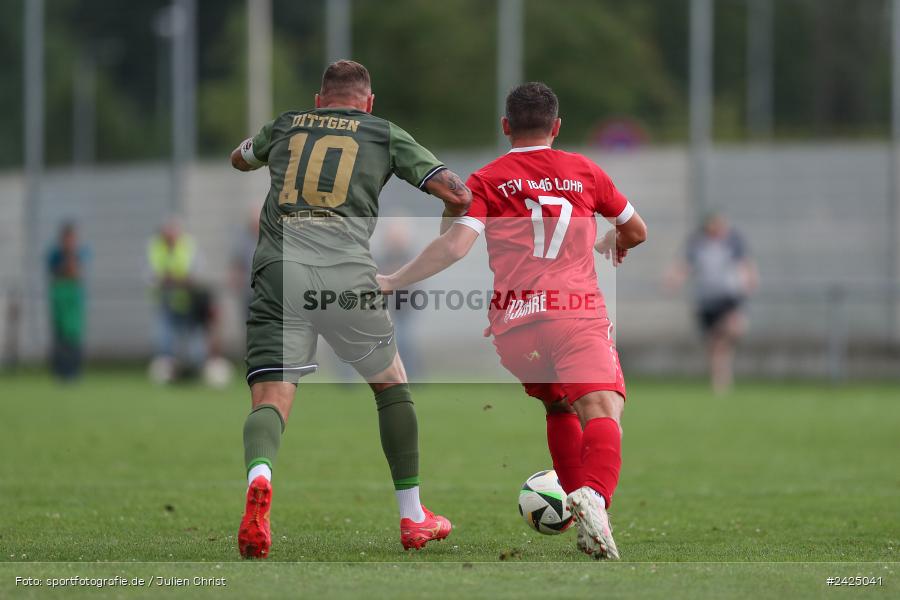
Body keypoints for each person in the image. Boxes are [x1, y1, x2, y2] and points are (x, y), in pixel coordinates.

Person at [378, 82, 647, 560]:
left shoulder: (486, 179)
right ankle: (595, 498)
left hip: (516, 327)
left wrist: (394, 279)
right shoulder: (584, 170)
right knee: (603, 410)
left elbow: (455, 246)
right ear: (557, 127)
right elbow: (636, 230)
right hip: (574, 312)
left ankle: (581, 511)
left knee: (561, 407)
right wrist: (612, 240)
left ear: (506, 127)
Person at [229, 60, 471, 558]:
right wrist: (447, 226)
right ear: (369, 102)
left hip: (280, 271)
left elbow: (239, 159)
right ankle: (412, 517)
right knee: (391, 385)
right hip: (347, 275)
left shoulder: (287, 123)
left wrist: (260, 151)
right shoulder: (383, 132)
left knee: (272, 396)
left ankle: (260, 479)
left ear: (320, 99)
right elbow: (458, 192)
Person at [666, 213, 758, 394]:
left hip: (728, 297)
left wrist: (750, 280)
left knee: (734, 329)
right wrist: (674, 280)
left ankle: (721, 379)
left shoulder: (733, 242)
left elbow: (745, 263)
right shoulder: (698, 244)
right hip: (706, 300)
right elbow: (685, 265)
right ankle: (720, 383)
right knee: (714, 346)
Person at [145, 218, 207, 381]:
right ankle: (168, 375)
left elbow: (197, 275)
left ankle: (194, 372)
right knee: (165, 341)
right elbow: (150, 276)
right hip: (165, 302)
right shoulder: (155, 247)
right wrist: (173, 280)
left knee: (193, 343)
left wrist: (173, 280)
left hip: (189, 304)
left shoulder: (189, 245)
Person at [46, 222, 89, 380]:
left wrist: (72, 256)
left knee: (74, 335)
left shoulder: (81, 252)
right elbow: (57, 273)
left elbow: (76, 273)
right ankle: (59, 371)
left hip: (73, 298)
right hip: (60, 296)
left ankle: (74, 371)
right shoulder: (55, 254)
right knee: (60, 336)